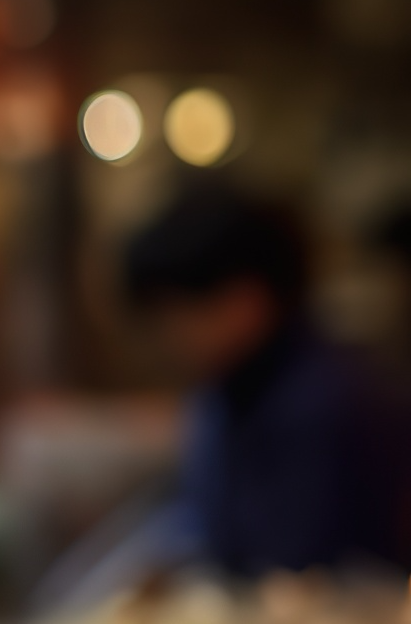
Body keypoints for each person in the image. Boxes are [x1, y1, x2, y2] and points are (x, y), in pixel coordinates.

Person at [123, 181, 411, 576]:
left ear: (245, 300)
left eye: (175, 313)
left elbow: (299, 568)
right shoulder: (226, 390)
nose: (165, 337)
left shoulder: (327, 402)